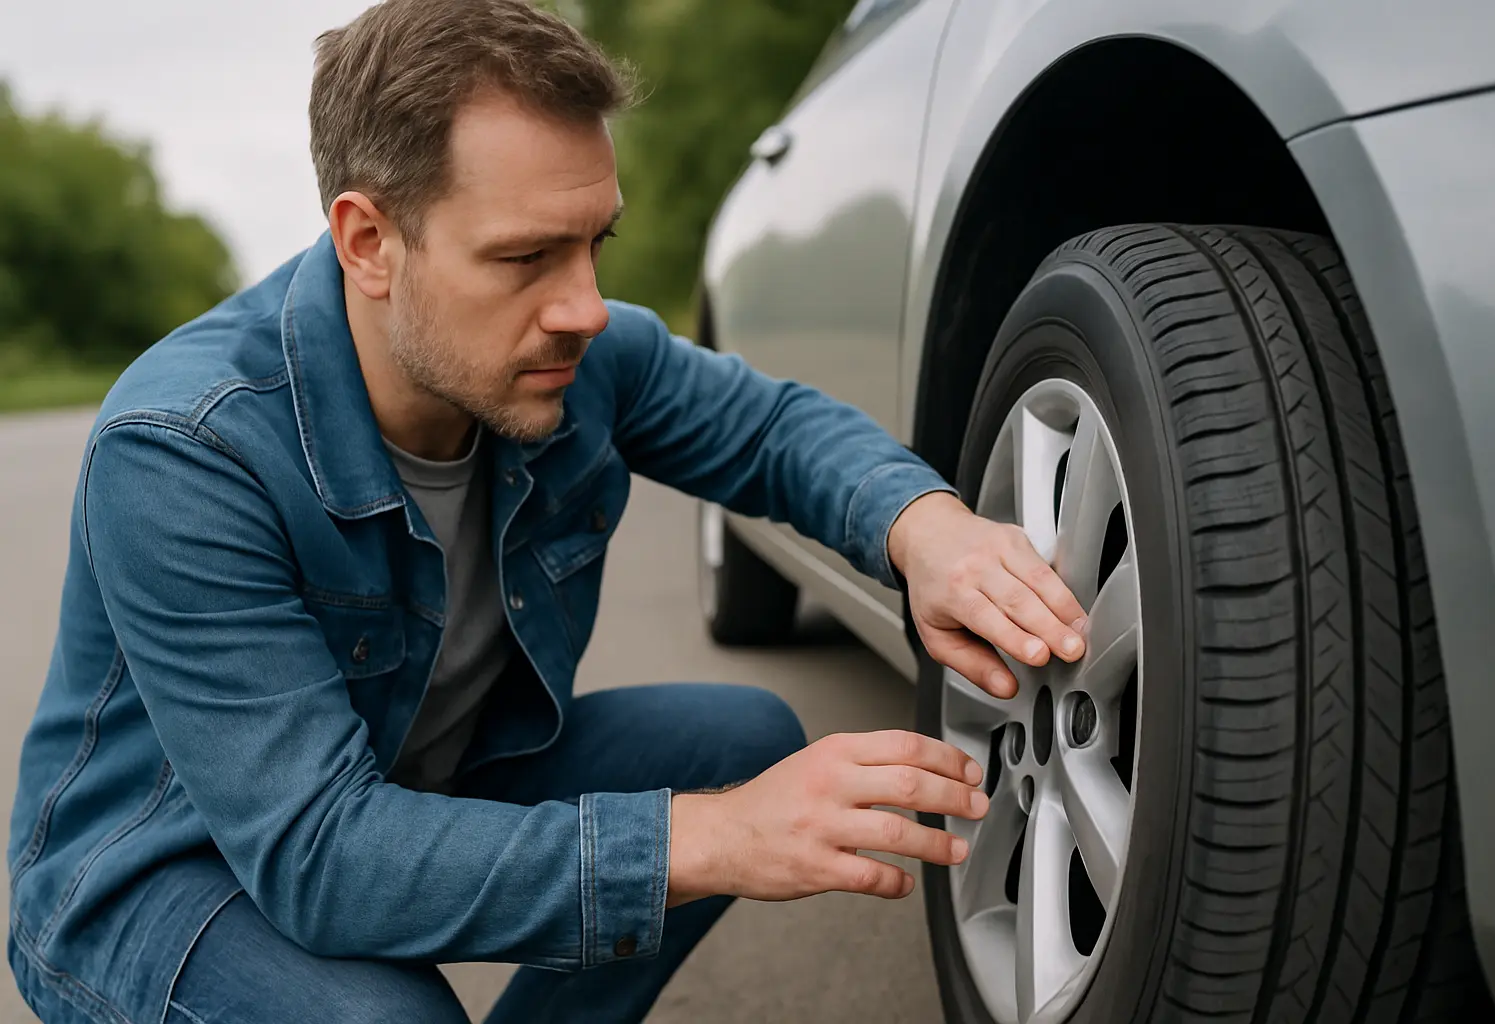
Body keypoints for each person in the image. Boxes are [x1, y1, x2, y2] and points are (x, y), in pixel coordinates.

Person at [5, 1, 1090, 1021]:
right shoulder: (185, 450)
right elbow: (321, 856)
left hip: (417, 769)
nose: (581, 307)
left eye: (594, 244)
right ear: (369, 242)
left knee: (739, 744)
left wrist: (926, 527)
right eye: (525, 257)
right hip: (162, 870)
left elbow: (770, 432)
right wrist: (714, 841)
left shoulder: (578, 355)